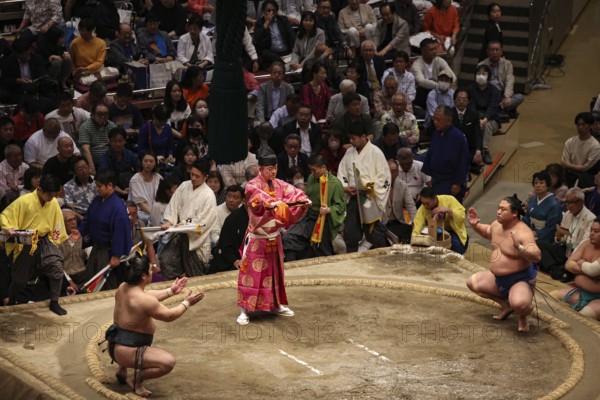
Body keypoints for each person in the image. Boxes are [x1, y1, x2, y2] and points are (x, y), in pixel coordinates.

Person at [107, 256, 204, 397]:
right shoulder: (144, 301)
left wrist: (171, 291)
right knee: (168, 362)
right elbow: (169, 315)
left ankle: (122, 369)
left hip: (114, 346)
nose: (152, 271)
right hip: (128, 351)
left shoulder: (123, 287)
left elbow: (145, 295)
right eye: (150, 269)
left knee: (129, 328)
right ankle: (135, 379)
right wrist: (187, 303)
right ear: (143, 276)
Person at [236, 147, 311, 325]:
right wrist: (275, 203)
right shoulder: (252, 185)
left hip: (274, 237)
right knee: (250, 274)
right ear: (260, 169)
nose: (273, 171)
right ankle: (244, 310)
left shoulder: (279, 184)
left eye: (275, 168)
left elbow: (294, 192)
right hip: (257, 238)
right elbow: (258, 198)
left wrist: (303, 199)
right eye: (269, 169)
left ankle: (276, 305)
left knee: (276, 274)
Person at [466, 196, 542, 332]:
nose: (498, 212)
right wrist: (475, 225)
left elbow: (537, 256)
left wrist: (521, 248)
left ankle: (523, 315)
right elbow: (488, 231)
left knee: (520, 304)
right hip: (498, 279)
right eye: (498, 208)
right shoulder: (497, 225)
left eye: (503, 209)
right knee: (472, 283)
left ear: (514, 213)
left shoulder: (523, 232)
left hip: (519, 280)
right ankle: (506, 305)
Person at [0, 174, 67, 315]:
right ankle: (11, 302)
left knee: (57, 268)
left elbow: (58, 223)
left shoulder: (53, 202)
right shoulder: (24, 201)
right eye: (49, 194)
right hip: (27, 241)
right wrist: (9, 228)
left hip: (44, 240)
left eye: (54, 195)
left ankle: (54, 301)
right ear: (40, 189)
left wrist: (54, 243)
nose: (51, 198)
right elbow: (5, 215)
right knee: (19, 280)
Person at [159, 159, 217, 278]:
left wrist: (185, 223)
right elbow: (173, 206)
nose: (193, 178)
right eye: (192, 174)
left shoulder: (209, 195)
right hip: (179, 234)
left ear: (205, 177)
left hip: (196, 240)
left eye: (197, 176)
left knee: (194, 275)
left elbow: (203, 222)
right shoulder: (184, 185)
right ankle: (178, 281)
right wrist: (169, 221)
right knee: (166, 260)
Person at [283, 154, 346, 260]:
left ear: (324, 168)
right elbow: (307, 195)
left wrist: (329, 209)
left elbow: (341, 207)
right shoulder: (312, 177)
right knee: (288, 237)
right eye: (311, 170)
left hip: (325, 220)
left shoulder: (335, 183)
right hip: (309, 216)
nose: (312, 173)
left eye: (314, 170)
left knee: (322, 251)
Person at [337, 131, 391, 252]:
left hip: (370, 197)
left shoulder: (376, 152)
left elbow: (384, 177)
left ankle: (383, 257)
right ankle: (352, 261)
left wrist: (368, 186)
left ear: (363, 136)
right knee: (350, 234)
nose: (351, 141)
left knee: (374, 233)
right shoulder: (349, 152)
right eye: (349, 138)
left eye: (353, 138)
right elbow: (342, 173)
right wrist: (345, 187)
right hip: (353, 197)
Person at [78, 171, 132, 290]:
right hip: (97, 248)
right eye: (96, 185)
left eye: (99, 186)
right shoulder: (98, 200)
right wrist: (80, 231)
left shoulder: (118, 206)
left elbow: (120, 232)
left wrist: (116, 255)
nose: (97, 189)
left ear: (110, 186)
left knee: (107, 283)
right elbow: (89, 218)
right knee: (92, 280)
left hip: (109, 252)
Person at [538, 187, 595, 282]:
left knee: (572, 264)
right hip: (565, 250)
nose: (569, 206)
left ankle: (558, 268)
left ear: (580, 202)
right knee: (539, 244)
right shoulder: (568, 214)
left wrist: (572, 254)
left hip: (577, 253)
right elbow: (561, 240)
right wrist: (559, 237)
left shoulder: (590, 218)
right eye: (567, 202)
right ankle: (554, 268)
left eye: (571, 202)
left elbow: (585, 243)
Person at [550, 219, 600, 320]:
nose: (591, 234)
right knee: (551, 297)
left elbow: (593, 270)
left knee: (582, 317)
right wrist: (586, 270)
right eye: (591, 230)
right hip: (581, 291)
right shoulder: (586, 244)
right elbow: (568, 264)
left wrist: (581, 262)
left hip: (598, 298)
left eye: (596, 231)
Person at [422, 106, 469, 202]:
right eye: (434, 119)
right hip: (436, 180)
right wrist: (429, 175)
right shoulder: (436, 134)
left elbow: (463, 161)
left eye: (438, 120)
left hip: (451, 182)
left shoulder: (458, 137)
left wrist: (458, 183)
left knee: (449, 212)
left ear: (449, 120)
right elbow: (430, 154)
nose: (435, 122)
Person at [412, 187, 468, 254]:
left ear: (435, 199)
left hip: (453, 231)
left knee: (456, 247)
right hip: (433, 233)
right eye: (423, 203)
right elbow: (417, 227)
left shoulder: (449, 199)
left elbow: (462, 216)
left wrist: (448, 210)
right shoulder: (422, 209)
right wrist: (415, 240)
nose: (425, 206)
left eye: (427, 203)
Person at [478, 41, 524, 117]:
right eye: (492, 50)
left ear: (501, 51)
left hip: (501, 95)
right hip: (488, 96)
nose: (494, 52)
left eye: (497, 50)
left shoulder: (507, 64)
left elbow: (510, 81)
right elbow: (480, 85)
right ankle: (501, 110)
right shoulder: (481, 65)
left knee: (519, 97)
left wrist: (507, 96)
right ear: (488, 52)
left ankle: (497, 109)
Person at [468, 64, 502, 164]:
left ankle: (485, 151)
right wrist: (477, 119)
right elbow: (471, 106)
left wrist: (485, 120)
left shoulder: (494, 90)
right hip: (475, 118)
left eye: (484, 74)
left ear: (488, 76)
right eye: (478, 73)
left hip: (491, 119)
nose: (481, 76)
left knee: (487, 126)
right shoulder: (470, 89)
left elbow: (493, 107)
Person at [411, 38, 456, 109]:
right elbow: (421, 81)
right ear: (423, 51)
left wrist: (444, 85)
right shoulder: (416, 64)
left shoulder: (439, 60)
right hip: (422, 95)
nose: (434, 51)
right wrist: (440, 85)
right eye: (431, 50)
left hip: (439, 93)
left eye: (435, 48)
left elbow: (453, 77)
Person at [522, 170, 563, 245]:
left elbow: (552, 228)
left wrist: (536, 233)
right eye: (536, 183)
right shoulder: (533, 199)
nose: (538, 185)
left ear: (547, 185)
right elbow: (526, 218)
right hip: (530, 232)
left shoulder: (554, 204)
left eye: (541, 183)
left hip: (545, 238)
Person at [97, 127, 140, 197]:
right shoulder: (104, 158)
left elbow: (139, 172)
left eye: (120, 141)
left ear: (125, 141)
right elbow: (104, 180)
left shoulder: (130, 154)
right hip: (112, 190)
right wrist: (122, 192)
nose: (117, 144)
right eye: (114, 141)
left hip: (130, 188)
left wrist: (133, 187)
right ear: (109, 141)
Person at [253, 0, 296, 69]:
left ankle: (282, 64)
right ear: (264, 12)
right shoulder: (260, 23)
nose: (271, 13)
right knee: (264, 52)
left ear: (277, 12)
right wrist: (266, 23)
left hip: (286, 52)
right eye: (268, 10)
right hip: (273, 54)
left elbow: (292, 36)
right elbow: (256, 39)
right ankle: (283, 63)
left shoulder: (283, 20)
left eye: (273, 11)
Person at [561, 112, 600, 187]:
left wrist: (569, 165)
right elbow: (563, 163)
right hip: (568, 175)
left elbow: (585, 168)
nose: (580, 127)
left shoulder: (595, 146)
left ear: (590, 126)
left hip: (585, 179)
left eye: (583, 124)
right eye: (578, 125)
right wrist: (573, 166)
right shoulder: (570, 141)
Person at [383, 159, 416, 243]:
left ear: (398, 172)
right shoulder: (377, 185)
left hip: (398, 223)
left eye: (393, 171)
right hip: (382, 224)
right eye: (388, 171)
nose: (390, 174)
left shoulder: (402, 186)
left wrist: (415, 223)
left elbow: (411, 206)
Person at [79, 103, 117, 175]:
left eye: (105, 114)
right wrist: (91, 166)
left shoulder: (111, 125)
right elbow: (85, 149)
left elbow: (116, 143)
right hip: (94, 161)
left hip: (110, 159)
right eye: (99, 114)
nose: (103, 116)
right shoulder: (85, 127)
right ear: (93, 114)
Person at [452, 88, 483, 170]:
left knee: (473, 157)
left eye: (464, 99)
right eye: (459, 99)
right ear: (454, 100)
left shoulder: (474, 114)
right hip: (453, 148)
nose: (461, 102)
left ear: (468, 101)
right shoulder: (449, 114)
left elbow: (477, 133)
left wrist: (478, 150)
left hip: (468, 148)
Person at [129, 153, 163, 222]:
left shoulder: (159, 178)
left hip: (158, 212)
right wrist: (154, 216)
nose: (148, 164)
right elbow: (140, 203)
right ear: (141, 162)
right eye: (146, 161)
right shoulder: (135, 179)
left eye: (151, 161)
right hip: (140, 213)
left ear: (155, 163)